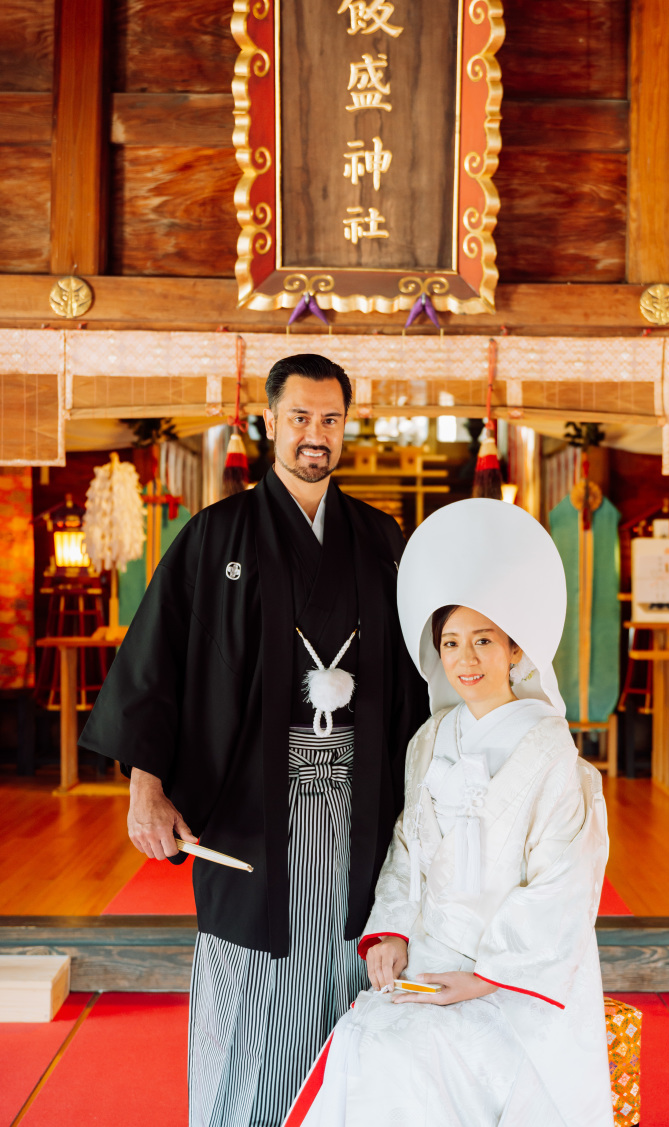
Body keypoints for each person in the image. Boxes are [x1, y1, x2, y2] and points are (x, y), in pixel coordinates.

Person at [78, 353, 428, 1127]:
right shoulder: (217, 534)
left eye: (330, 419)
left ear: (346, 426)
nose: (315, 435)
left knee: (354, 960)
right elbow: (156, 662)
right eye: (300, 417)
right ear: (270, 422)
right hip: (249, 813)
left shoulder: (379, 538)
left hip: (359, 806)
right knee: (250, 979)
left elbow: (417, 677)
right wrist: (147, 781)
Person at [288, 497, 613, 1127]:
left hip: (513, 978)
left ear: (515, 650)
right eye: (452, 642)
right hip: (431, 954)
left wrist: (485, 979)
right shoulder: (431, 739)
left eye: (484, 640)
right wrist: (391, 931)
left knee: (419, 1057)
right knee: (364, 1043)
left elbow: (563, 886)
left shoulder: (551, 751)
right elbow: (409, 847)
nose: (465, 659)